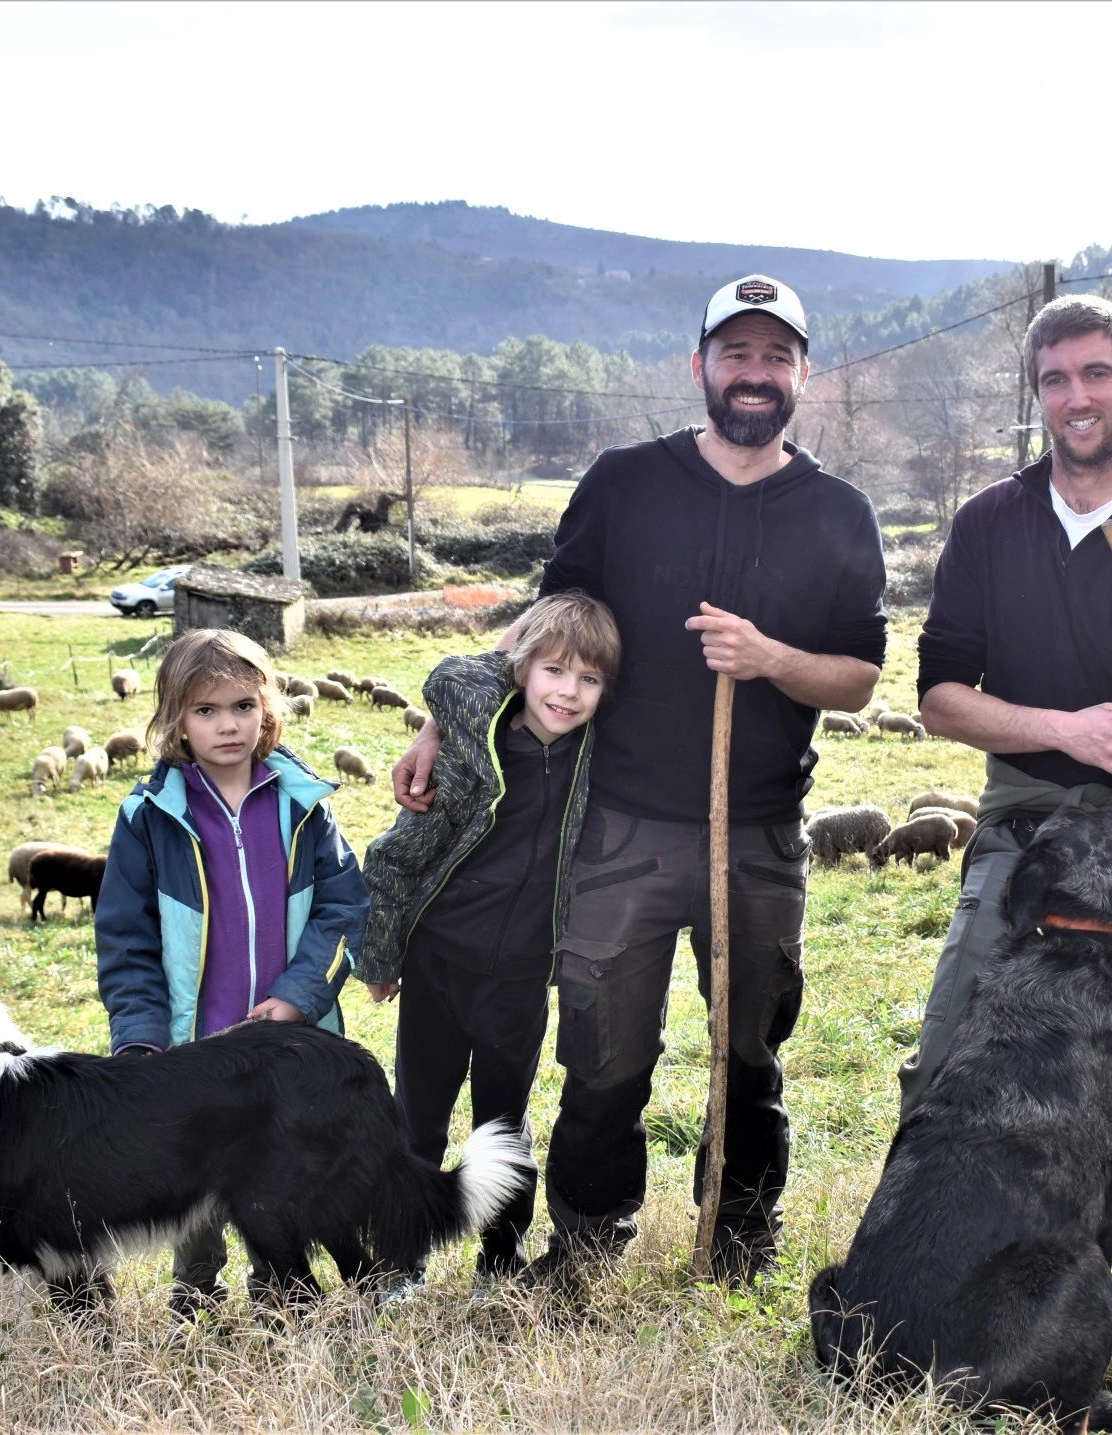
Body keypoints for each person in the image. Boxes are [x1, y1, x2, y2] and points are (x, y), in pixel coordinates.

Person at [393, 275, 887, 1283]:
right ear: (698, 364)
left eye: (775, 357)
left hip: (755, 836)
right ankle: (586, 1240)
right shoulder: (623, 483)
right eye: (735, 353)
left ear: (804, 374)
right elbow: (542, 633)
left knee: (747, 1055)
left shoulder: (838, 513)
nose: (754, 374)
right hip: (614, 825)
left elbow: (861, 676)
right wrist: (446, 725)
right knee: (603, 1055)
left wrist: (769, 659)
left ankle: (737, 1238)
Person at [905, 293, 1112, 1349]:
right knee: (949, 1050)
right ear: (1036, 393)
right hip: (1024, 814)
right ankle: (923, 1266)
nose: (1075, 396)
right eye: (1054, 378)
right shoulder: (988, 524)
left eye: (1096, 374)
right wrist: (1063, 725)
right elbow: (939, 695)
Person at [94, 627, 370, 1317]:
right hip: (195, 1047)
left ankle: (282, 1291)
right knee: (197, 1182)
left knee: (287, 1169)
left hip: (290, 1042)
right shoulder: (149, 817)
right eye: (206, 710)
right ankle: (196, 1294)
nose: (228, 724)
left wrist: (299, 995)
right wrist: (140, 1040)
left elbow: (344, 906)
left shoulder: (302, 804)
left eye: (243, 705)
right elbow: (125, 940)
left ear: (268, 707)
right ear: (175, 720)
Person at [357, 591, 620, 1289]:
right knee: (418, 1118)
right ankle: (401, 1256)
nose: (568, 691)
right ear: (521, 670)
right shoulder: (477, 745)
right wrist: (381, 953)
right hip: (438, 962)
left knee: (502, 1124)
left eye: (589, 679)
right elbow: (398, 853)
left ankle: (499, 1259)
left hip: (522, 977)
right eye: (554, 671)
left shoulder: (598, 756)